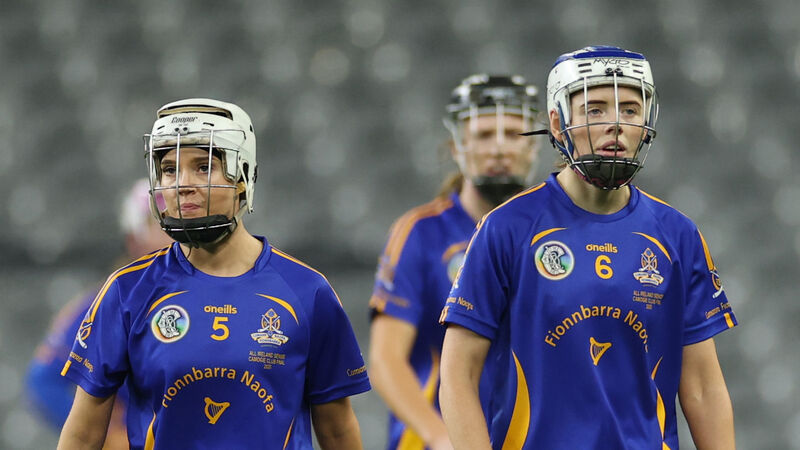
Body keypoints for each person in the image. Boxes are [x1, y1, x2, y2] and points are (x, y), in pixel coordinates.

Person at [439, 46, 737, 449]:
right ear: (558, 124)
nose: (616, 124)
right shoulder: (505, 229)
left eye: (630, 109)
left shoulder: (678, 234)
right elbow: (458, 376)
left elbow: (702, 387)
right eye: (595, 110)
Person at [58, 98, 371, 450]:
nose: (182, 184)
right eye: (169, 169)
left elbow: (338, 432)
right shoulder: (126, 290)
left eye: (204, 167)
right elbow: (82, 436)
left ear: (243, 177)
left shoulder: (308, 291)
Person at [368, 75, 540, 450]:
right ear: (456, 146)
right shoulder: (420, 233)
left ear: (534, 146)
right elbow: (386, 360)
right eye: (483, 134)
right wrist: (440, 436)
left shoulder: (554, 234)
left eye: (512, 133)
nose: (499, 148)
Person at [26, 178, 173, 449]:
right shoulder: (104, 304)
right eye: (159, 223)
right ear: (134, 238)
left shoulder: (220, 296)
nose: (172, 233)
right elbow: (44, 381)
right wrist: (107, 435)